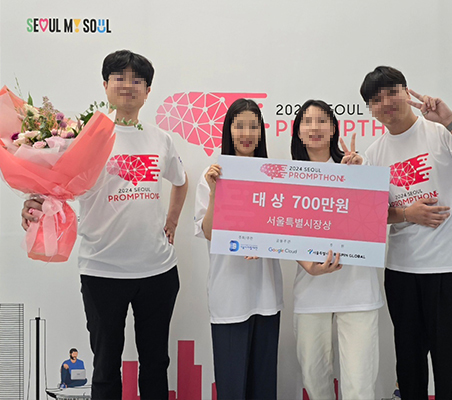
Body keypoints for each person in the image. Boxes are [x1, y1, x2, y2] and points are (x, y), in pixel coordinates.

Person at [21, 50, 188, 400]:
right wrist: (35, 203)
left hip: (157, 271)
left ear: (148, 91)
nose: (128, 85)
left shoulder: (160, 138)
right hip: (102, 271)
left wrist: (171, 220)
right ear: (105, 85)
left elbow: (180, 180)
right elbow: (55, 189)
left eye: (137, 80)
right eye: (119, 77)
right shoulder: (84, 139)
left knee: (156, 363)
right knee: (106, 365)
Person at [361, 66, 452, 399]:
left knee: (451, 365)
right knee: (409, 367)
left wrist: (450, 120)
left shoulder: (440, 132)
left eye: (392, 92)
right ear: (370, 109)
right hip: (402, 272)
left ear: (407, 92)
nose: (386, 103)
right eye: (376, 99)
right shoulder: (374, 153)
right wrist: (407, 214)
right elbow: (371, 216)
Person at [290, 99, 384, 399]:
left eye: (322, 120)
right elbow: (284, 231)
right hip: (311, 291)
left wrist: (359, 176)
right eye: (307, 121)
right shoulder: (288, 176)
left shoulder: (355, 167)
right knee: (314, 380)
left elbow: (376, 217)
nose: (315, 127)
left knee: (359, 385)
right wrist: (308, 266)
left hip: (357, 290)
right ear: (298, 131)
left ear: (333, 128)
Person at [194, 98, 283, 400]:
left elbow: (284, 230)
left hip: (266, 295)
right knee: (231, 389)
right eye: (239, 126)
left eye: (253, 126)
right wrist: (215, 192)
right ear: (228, 130)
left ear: (261, 132)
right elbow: (208, 232)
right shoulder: (212, 175)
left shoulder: (274, 175)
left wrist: (263, 243)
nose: (246, 133)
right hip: (230, 296)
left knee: (263, 389)